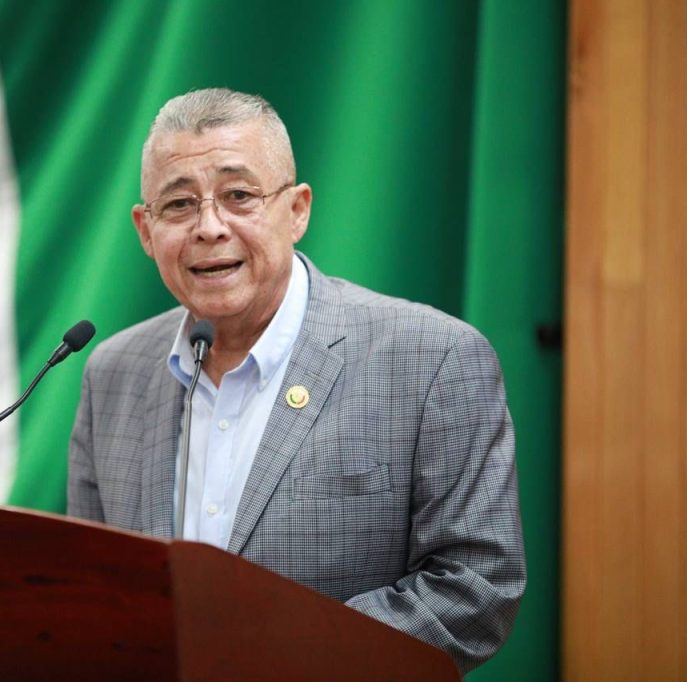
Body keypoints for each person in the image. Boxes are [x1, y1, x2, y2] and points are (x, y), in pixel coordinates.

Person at [67, 88, 525, 673]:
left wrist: (276, 661)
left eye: (239, 196)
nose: (210, 227)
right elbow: (90, 585)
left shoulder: (432, 358)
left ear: (297, 210)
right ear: (145, 230)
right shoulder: (112, 372)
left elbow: (475, 586)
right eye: (179, 205)